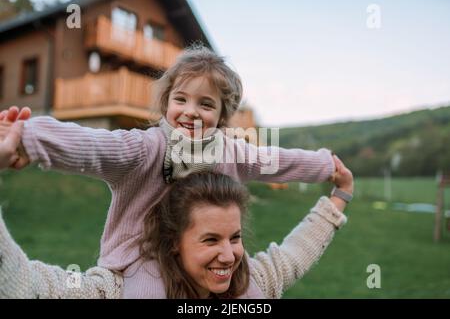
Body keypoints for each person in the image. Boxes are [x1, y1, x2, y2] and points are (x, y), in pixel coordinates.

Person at [0, 45, 339, 297]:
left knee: (248, 294)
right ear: (166, 103)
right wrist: (28, 137)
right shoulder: (144, 149)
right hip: (142, 259)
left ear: (221, 116)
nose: (191, 112)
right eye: (181, 100)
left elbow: (278, 161)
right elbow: (92, 146)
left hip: (212, 270)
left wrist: (326, 166)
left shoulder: (232, 152)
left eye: (205, 104)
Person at [0, 136, 353, 298]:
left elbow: (297, 249)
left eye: (234, 237)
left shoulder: (256, 281)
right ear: (173, 244)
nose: (229, 255)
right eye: (210, 240)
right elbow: (31, 283)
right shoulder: (115, 291)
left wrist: (341, 193)